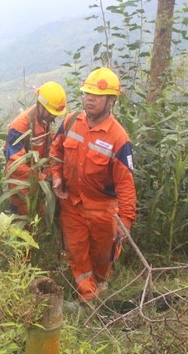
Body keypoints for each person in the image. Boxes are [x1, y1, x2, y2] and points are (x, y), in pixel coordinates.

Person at [49, 67, 136, 302]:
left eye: (96, 96)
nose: (89, 100)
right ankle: (89, 298)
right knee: (76, 254)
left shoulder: (118, 138)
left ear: (111, 101)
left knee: (101, 258)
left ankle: (98, 284)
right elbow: (56, 151)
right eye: (87, 94)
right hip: (72, 204)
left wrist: (125, 220)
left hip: (102, 210)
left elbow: (126, 184)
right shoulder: (70, 122)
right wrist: (56, 175)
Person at [4, 81, 67, 216]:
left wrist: (52, 173)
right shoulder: (19, 128)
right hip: (22, 189)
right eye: (50, 113)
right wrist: (43, 177)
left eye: (55, 113)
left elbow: (50, 150)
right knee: (24, 224)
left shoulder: (45, 121)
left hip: (38, 185)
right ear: (40, 104)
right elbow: (15, 165)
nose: (53, 116)